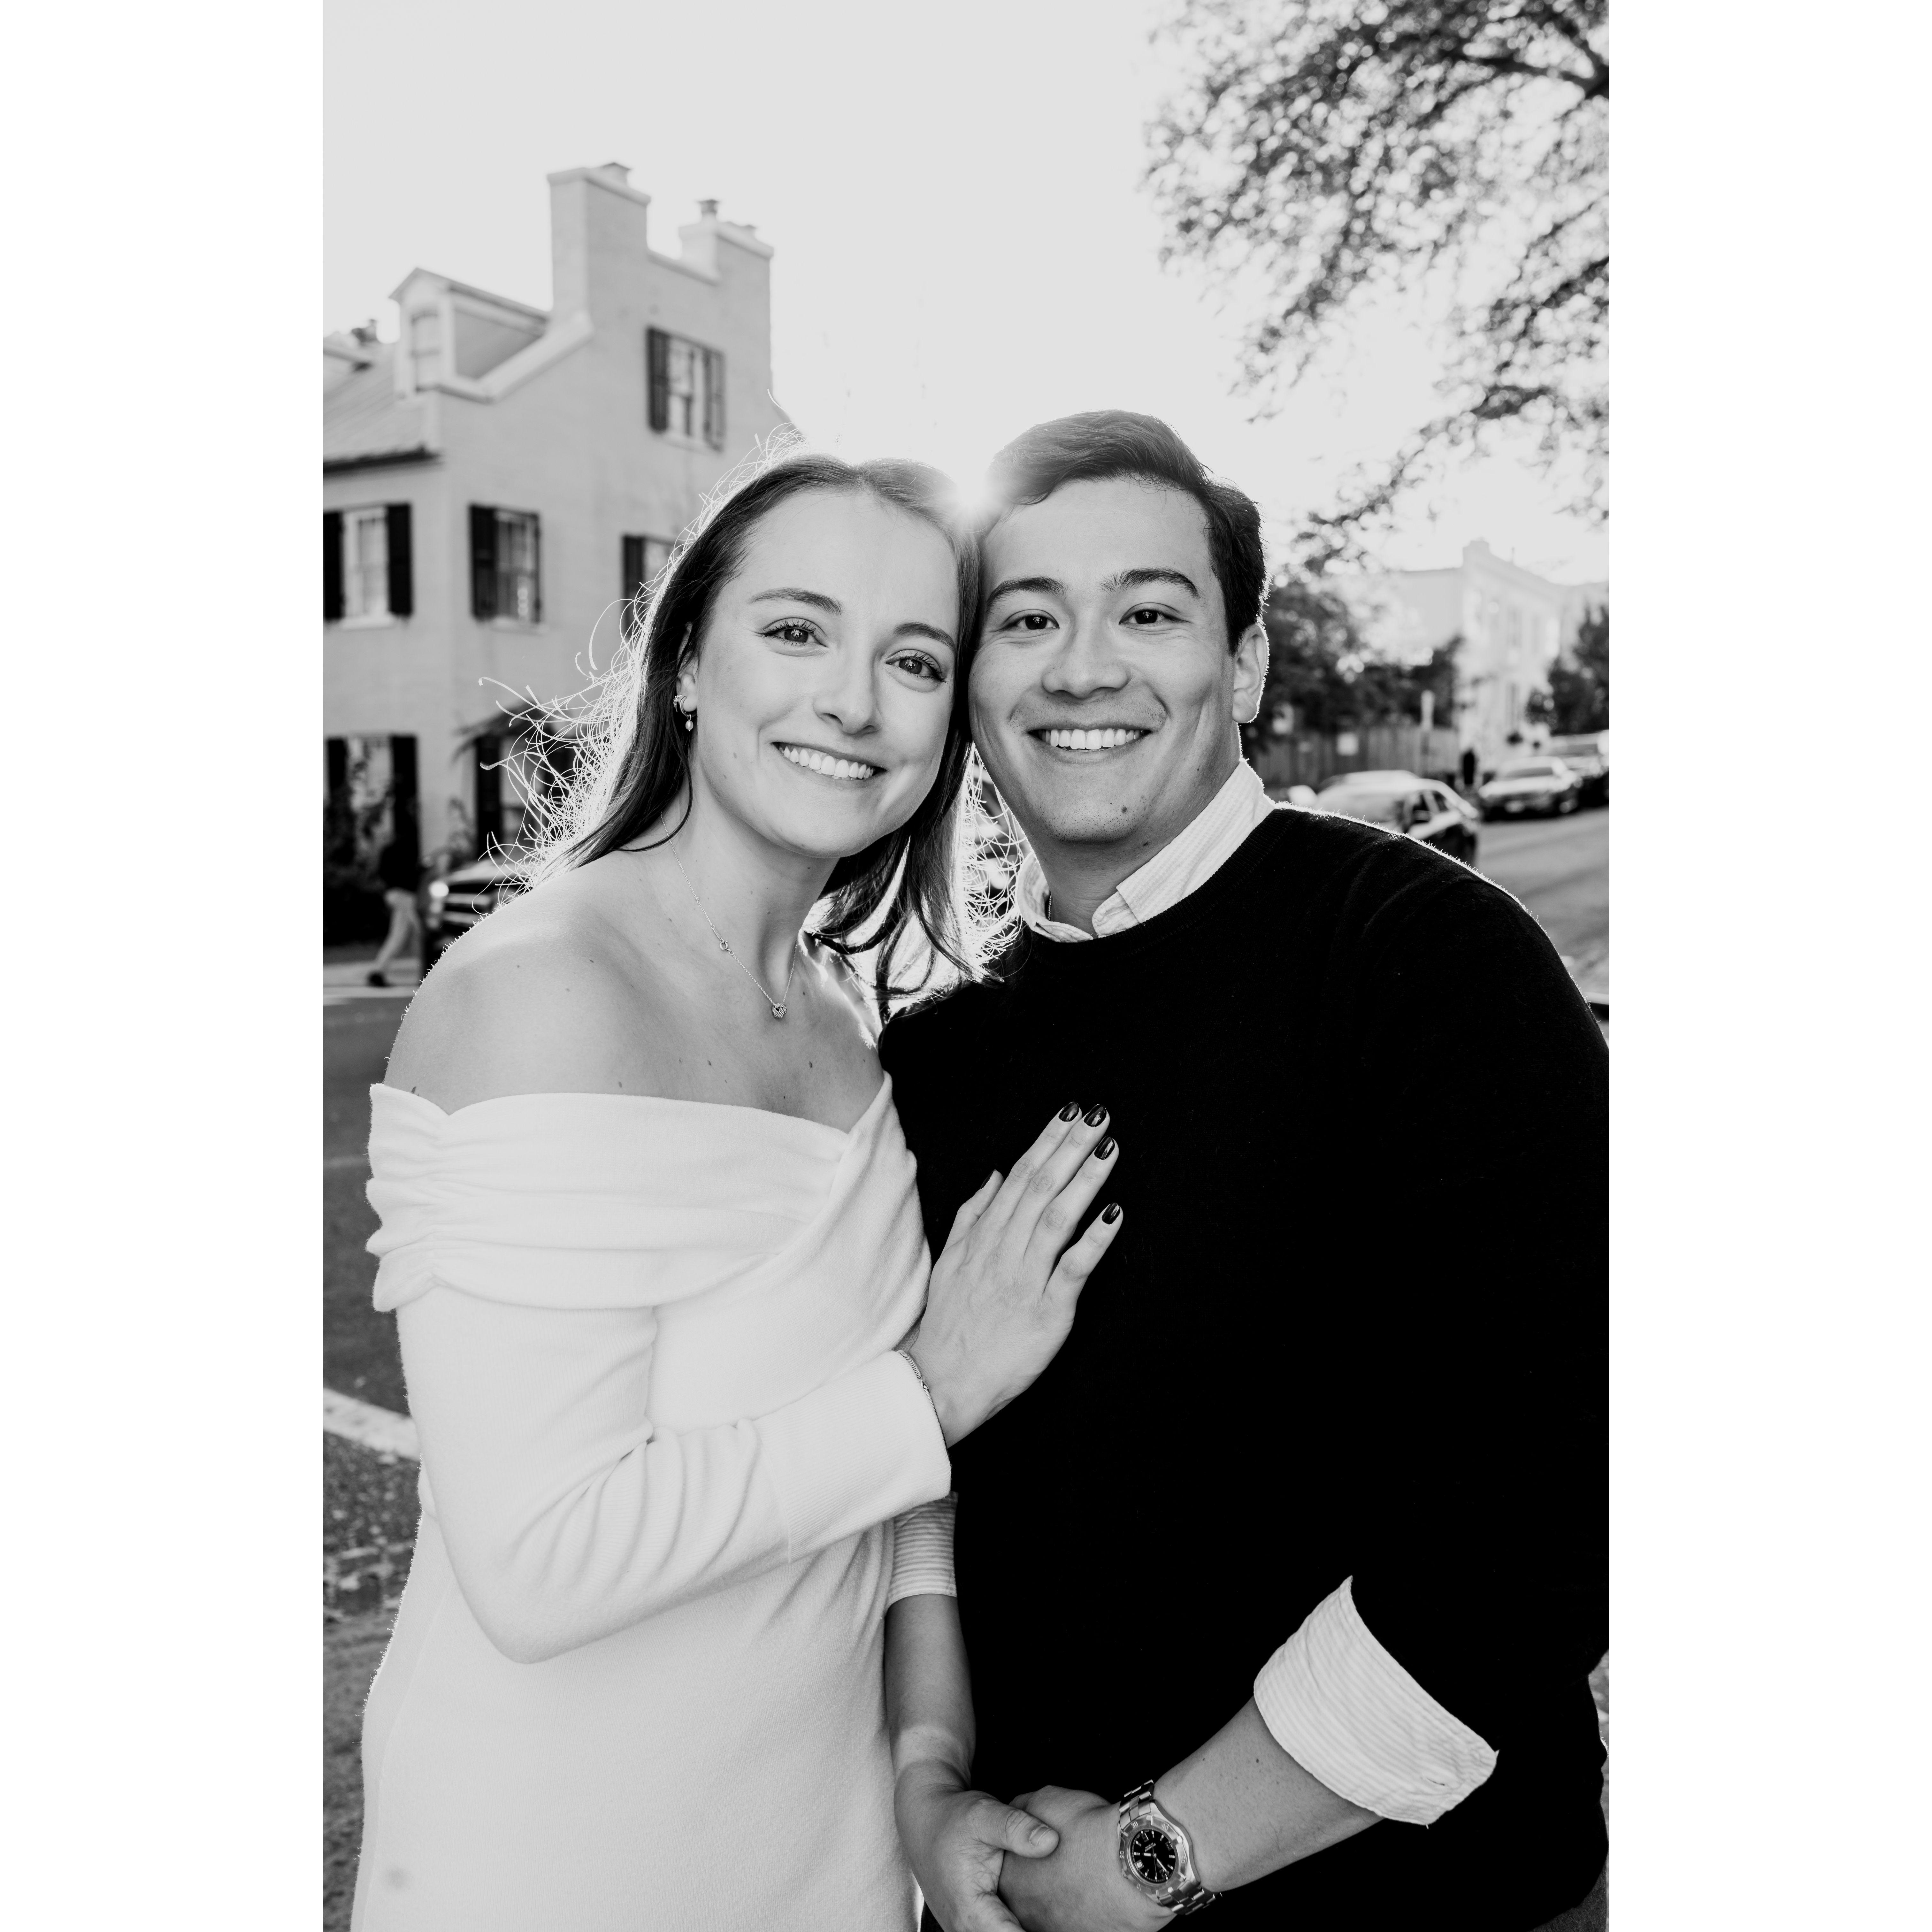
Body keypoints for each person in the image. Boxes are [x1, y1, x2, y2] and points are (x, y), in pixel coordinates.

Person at [352, 451, 1129, 1931]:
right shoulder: (545, 995)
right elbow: (539, 1562)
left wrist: (928, 1771)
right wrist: (935, 1388)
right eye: (796, 630)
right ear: (689, 662)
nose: (854, 701)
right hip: (565, 1865)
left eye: (915, 659)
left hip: (830, 1862)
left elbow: (892, 1493)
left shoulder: (848, 1027)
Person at [879, 413, 1608, 1931]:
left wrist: (1157, 1857)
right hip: (1023, 1895)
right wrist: (932, 1785)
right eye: (1029, 619)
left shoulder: (1426, 959)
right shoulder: (935, 1056)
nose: (1085, 669)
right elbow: (921, 1497)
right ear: (974, 682)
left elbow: (1537, 1522)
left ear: (1251, 663)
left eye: (1149, 612)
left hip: (1433, 1904)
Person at [367, 832, 423, 987]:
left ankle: (379, 971)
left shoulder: (388, 851)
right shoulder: (407, 850)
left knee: (408, 936)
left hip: (392, 893)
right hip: (405, 895)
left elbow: (381, 872)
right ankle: (378, 972)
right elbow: (412, 873)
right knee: (415, 934)